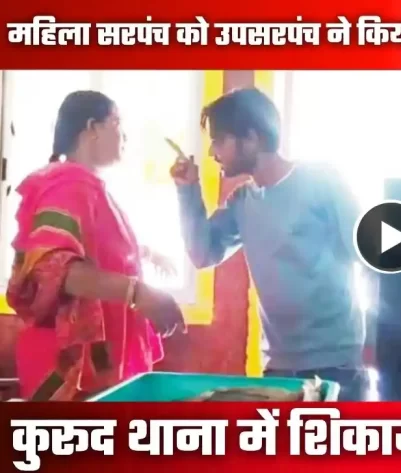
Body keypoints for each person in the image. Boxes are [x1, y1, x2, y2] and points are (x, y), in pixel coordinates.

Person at [170, 88, 368, 401]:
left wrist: (383, 344)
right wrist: (187, 190)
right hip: (278, 367)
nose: (211, 152)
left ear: (252, 138)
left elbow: (369, 255)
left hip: (337, 364)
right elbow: (202, 253)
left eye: (219, 140)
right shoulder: (242, 201)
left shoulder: (323, 181)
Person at [7, 91, 185, 401]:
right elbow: (54, 268)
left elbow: (99, 250)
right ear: (92, 127)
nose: (124, 135)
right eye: (117, 122)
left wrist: (145, 253)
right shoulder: (68, 185)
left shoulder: (86, 186)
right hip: (66, 367)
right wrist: (138, 293)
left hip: (93, 363)